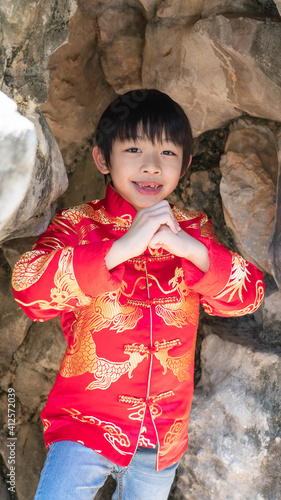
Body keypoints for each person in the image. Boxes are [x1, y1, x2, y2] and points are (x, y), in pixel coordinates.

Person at [12, 89, 265, 500]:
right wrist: (119, 249)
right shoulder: (78, 225)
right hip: (83, 427)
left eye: (168, 152)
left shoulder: (194, 230)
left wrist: (194, 251)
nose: (151, 166)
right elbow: (27, 288)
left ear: (183, 165)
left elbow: (249, 296)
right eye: (133, 148)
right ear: (102, 158)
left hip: (163, 438)